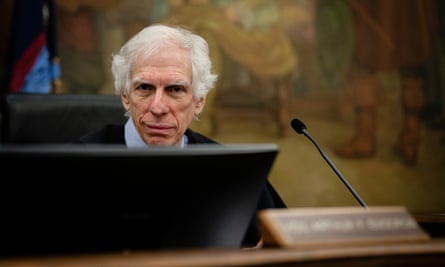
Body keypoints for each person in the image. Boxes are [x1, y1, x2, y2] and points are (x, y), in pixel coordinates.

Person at [74, 23, 287, 248]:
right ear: (126, 97)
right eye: (144, 88)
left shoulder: (234, 170)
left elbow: (284, 245)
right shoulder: (73, 165)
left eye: (175, 90)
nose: (158, 107)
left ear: (199, 102)